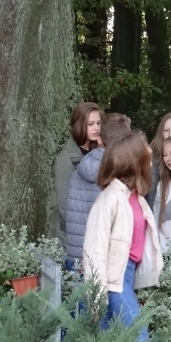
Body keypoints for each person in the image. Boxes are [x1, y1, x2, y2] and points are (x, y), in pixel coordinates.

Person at [82, 131, 171, 342]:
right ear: (133, 160)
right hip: (113, 285)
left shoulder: (132, 196)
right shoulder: (109, 199)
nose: (151, 154)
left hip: (125, 280)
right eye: (146, 152)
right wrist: (96, 301)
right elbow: (93, 254)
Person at [64, 113, 131, 267]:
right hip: (100, 259)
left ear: (100, 139)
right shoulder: (116, 172)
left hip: (76, 255)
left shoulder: (84, 164)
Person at [50, 102, 103, 245]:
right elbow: (64, 205)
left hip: (94, 235)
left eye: (98, 123)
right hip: (68, 238)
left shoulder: (99, 153)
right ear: (80, 125)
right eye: (90, 124)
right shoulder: (66, 158)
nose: (96, 128)